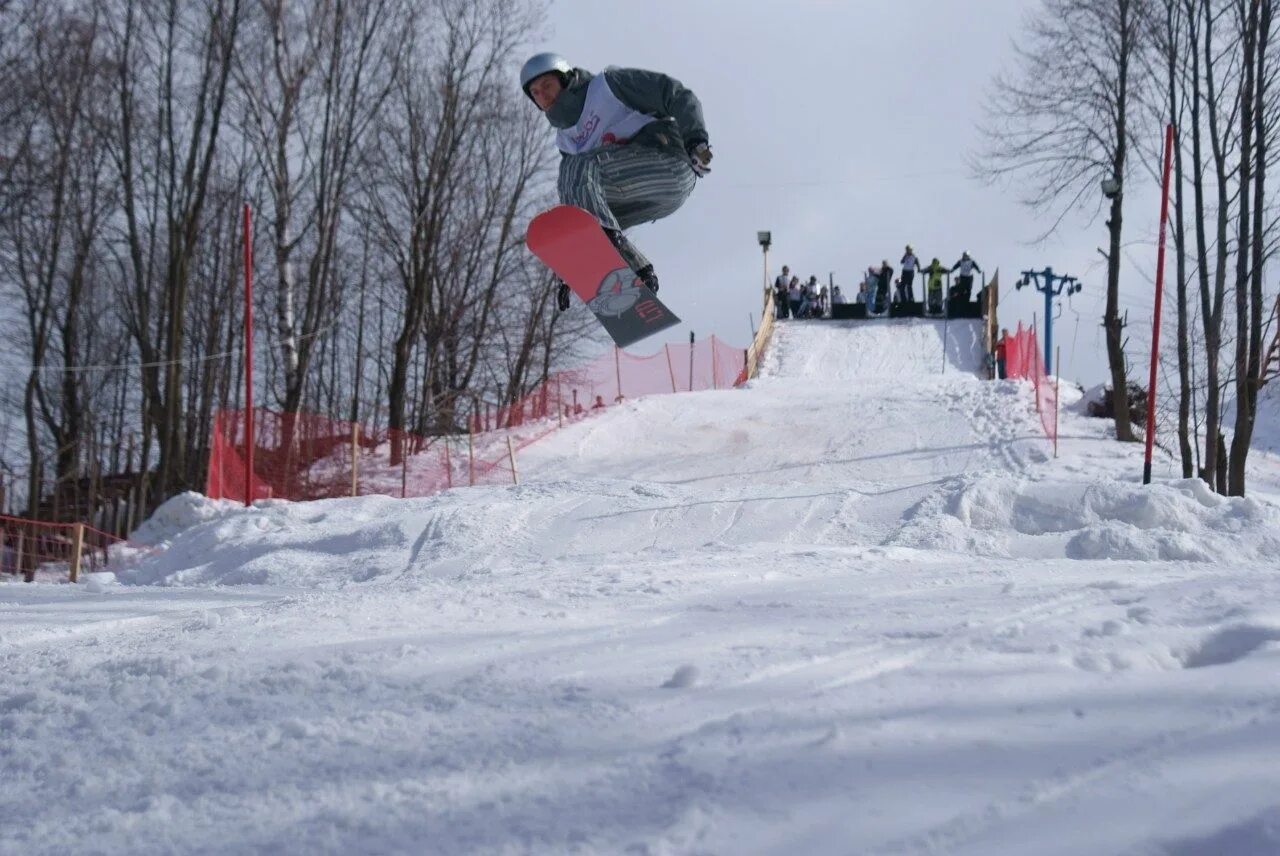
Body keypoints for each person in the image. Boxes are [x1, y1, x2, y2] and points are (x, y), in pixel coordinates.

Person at [520, 53, 712, 311]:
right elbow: (577, 200)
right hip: (644, 195)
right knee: (571, 179)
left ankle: (613, 248)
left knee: (577, 167)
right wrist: (571, 265)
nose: (543, 96)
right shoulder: (566, 140)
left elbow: (675, 93)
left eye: (547, 86)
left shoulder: (607, 88)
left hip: (669, 164)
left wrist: (696, 139)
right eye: (536, 93)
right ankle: (633, 270)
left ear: (565, 79)